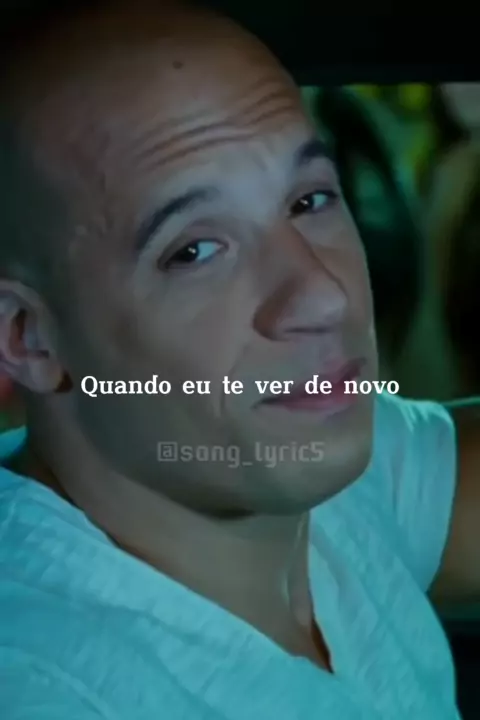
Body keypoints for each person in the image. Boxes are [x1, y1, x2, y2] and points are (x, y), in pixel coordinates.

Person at [0, 2, 479, 718]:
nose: (323, 294)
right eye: (195, 251)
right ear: (28, 338)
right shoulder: (43, 683)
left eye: (309, 200)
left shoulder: (280, 459)